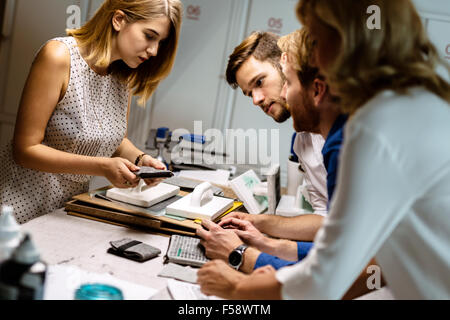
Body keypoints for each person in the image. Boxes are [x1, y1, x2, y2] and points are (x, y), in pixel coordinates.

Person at [197, 0, 450, 300]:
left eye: (316, 35)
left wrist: (242, 280)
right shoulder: (413, 104)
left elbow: (334, 275)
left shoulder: (371, 129)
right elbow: (357, 252)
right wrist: (275, 251)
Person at [0, 0, 183, 224]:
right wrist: (102, 166)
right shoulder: (58, 56)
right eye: (149, 36)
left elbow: (117, 141)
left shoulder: (121, 75)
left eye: (160, 42)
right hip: (17, 208)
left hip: (65, 211)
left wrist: (141, 160)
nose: (154, 51)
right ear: (118, 20)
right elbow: (25, 150)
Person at [226, 31, 328, 216]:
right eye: (249, 94)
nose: (256, 100)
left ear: (284, 64)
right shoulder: (302, 140)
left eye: (259, 82)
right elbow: (324, 215)